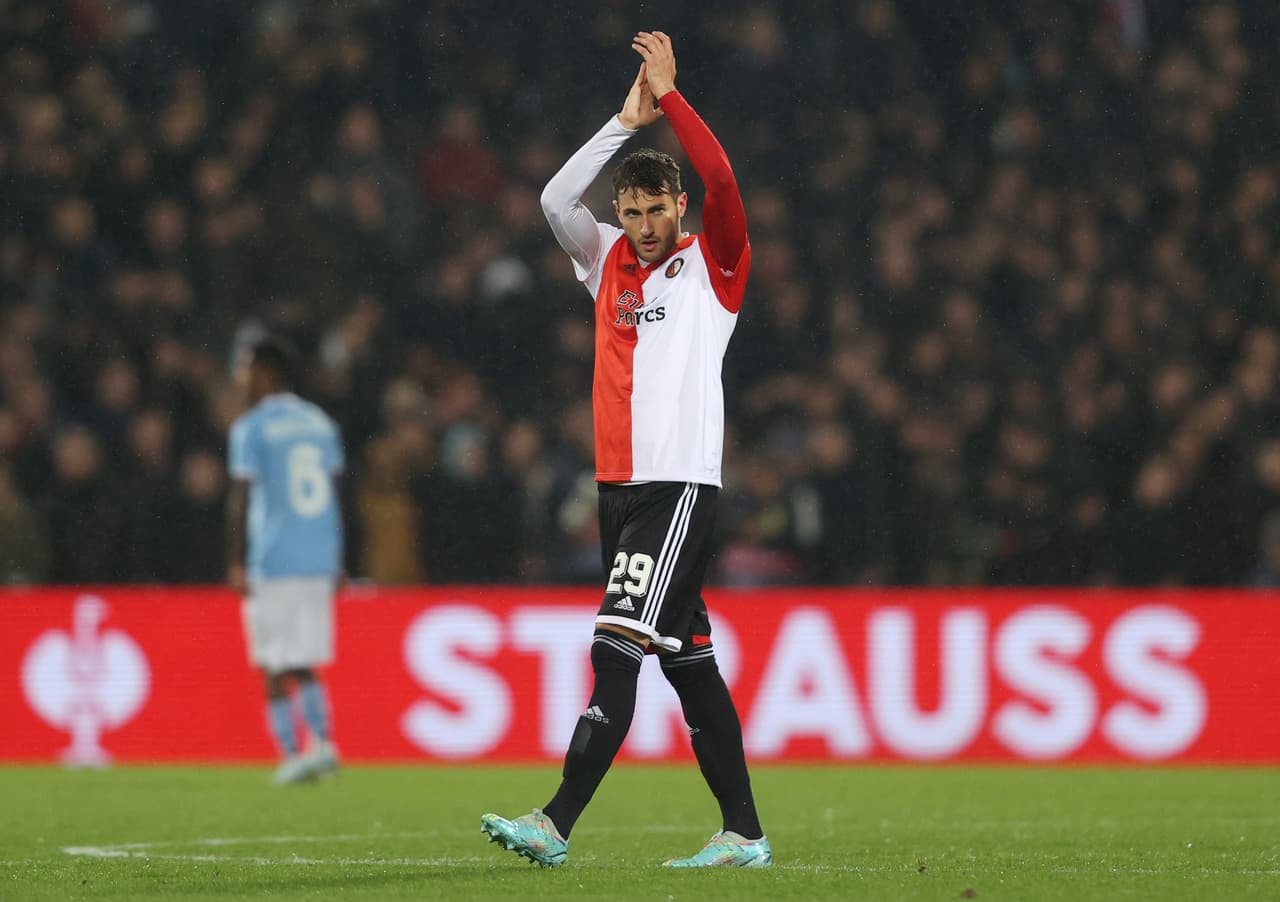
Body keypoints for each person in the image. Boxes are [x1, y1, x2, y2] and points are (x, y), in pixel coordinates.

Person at [481, 32, 770, 869]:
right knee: (690, 668)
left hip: (676, 489)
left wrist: (672, 101)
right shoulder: (604, 260)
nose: (643, 227)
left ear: (678, 209)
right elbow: (552, 201)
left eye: (656, 211)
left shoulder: (713, 270)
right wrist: (622, 122)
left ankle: (555, 822)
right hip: (619, 491)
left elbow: (723, 179)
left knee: (615, 647)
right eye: (632, 212)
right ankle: (744, 833)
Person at [226, 337, 345, 785]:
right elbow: (335, 494)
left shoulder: (251, 428)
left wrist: (235, 562)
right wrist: (338, 558)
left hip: (273, 559)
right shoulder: (320, 422)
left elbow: (239, 499)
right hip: (318, 558)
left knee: (273, 661)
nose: (241, 379)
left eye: (245, 369)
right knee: (302, 656)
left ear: (265, 372)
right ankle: (323, 744)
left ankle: (293, 753)